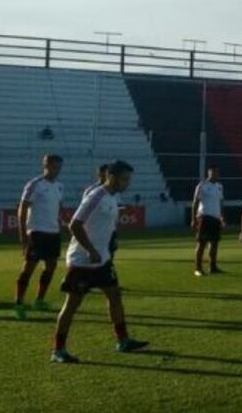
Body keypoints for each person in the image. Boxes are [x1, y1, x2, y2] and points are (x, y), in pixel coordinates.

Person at [51, 160, 148, 363]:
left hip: (102, 260)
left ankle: (123, 340)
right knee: (72, 304)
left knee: (115, 295)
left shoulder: (113, 197)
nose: (127, 183)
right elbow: (74, 224)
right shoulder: (96, 196)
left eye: (128, 179)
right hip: (82, 261)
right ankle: (58, 350)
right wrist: (90, 250)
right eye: (124, 179)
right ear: (111, 177)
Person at [14, 154, 65, 320]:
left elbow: (59, 207)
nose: (57, 170)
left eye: (59, 167)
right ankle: (19, 303)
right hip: (36, 233)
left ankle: (39, 300)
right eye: (54, 167)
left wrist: (64, 223)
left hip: (53, 233)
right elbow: (22, 209)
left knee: (50, 267)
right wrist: (23, 235)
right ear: (46, 165)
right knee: (28, 268)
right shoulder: (34, 185)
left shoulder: (59, 186)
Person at [192, 164, 225, 276]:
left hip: (216, 218)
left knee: (214, 243)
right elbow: (195, 202)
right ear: (209, 173)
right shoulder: (202, 185)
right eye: (213, 172)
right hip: (204, 217)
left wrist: (222, 217)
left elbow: (220, 202)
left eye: (217, 172)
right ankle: (198, 268)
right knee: (202, 243)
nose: (216, 174)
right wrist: (193, 218)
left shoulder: (219, 186)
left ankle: (213, 267)